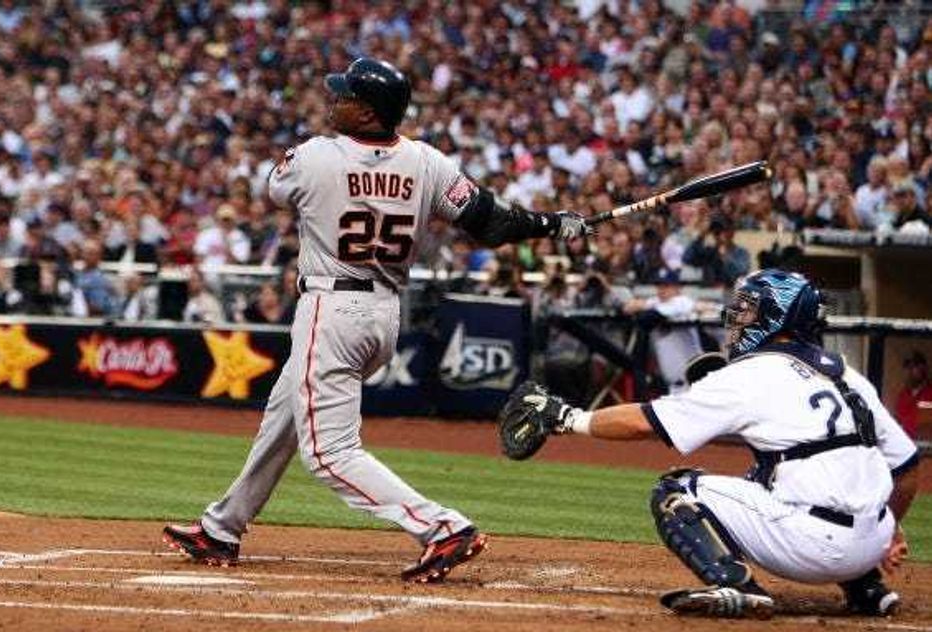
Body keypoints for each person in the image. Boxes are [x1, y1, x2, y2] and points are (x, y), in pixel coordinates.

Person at [162, 58, 589, 583]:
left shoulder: (316, 155)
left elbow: (276, 189)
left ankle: (442, 528)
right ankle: (222, 527)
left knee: (329, 453)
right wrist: (549, 223)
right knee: (285, 415)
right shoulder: (426, 161)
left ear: (367, 113)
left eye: (344, 97)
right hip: (384, 313)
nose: (332, 101)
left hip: (331, 309)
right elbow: (492, 222)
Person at [499, 269, 919, 619]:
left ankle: (737, 585)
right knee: (770, 472)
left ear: (778, 318)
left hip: (813, 547)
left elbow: (648, 421)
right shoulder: (848, 375)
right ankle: (867, 591)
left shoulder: (755, 373)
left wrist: (567, 417)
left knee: (675, 490)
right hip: (873, 543)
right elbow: (907, 472)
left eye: (749, 309)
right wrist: (886, 532)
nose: (736, 317)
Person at [895, 351, 931, 439]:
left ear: (923, 368)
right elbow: (898, 420)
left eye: (914, 367)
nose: (910, 371)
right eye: (907, 367)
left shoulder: (929, 393)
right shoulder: (903, 395)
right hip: (906, 445)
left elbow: (925, 426)